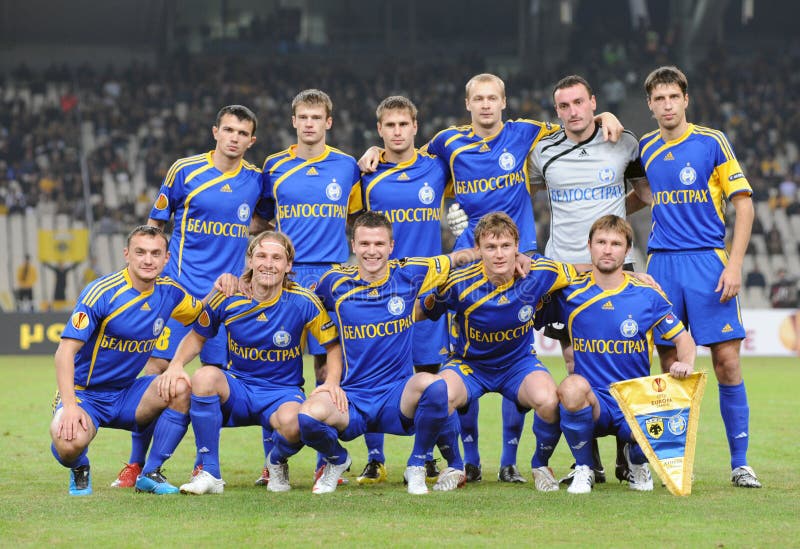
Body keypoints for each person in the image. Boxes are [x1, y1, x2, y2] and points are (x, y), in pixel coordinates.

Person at [111, 105, 270, 489]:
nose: (234, 138)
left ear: (252, 140)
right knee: (155, 376)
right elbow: (154, 225)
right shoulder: (184, 170)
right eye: (228, 129)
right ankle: (136, 465)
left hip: (222, 301)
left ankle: (209, 467)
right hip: (177, 296)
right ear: (215, 131)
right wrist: (152, 277)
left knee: (208, 383)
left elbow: (264, 221)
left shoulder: (256, 180)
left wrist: (241, 235)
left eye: (242, 133)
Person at [297, 211, 482, 495]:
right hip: (352, 399)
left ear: (391, 246)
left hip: (396, 397)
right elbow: (300, 300)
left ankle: (417, 464)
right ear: (353, 245)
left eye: (379, 244)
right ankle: (337, 460)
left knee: (435, 386)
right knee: (307, 416)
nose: (372, 251)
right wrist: (242, 285)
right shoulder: (333, 282)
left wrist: (505, 254)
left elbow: (456, 259)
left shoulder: (409, 273)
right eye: (366, 244)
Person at [639, 65, 761, 488]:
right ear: (650, 105)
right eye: (659, 99)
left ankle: (740, 463)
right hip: (663, 264)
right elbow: (642, 191)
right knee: (670, 363)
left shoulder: (711, 142)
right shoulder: (645, 147)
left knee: (726, 360)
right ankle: (672, 466)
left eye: (674, 96)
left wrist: (735, 263)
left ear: (685, 99)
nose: (668, 105)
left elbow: (743, 204)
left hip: (709, 263)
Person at [527, 74, 652, 485]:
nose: (572, 112)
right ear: (556, 110)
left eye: (579, 103)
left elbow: (647, 194)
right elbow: (520, 194)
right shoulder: (543, 151)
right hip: (565, 270)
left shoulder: (623, 141)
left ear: (593, 102)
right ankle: (589, 461)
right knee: (573, 362)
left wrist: (613, 217)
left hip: (618, 266)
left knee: (630, 358)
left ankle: (629, 458)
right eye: (563, 106)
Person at [49, 225, 235, 496]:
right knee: (68, 444)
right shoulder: (102, 292)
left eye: (155, 253)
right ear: (127, 254)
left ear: (166, 259)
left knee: (181, 386)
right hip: (84, 395)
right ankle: (80, 466)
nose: (148, 260)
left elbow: (199, 312)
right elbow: (64, 353)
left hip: (126, 394)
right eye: (141, 252)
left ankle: (150, 473)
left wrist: (219, 290)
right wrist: (69, 406)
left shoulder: (170, 292)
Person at [157, 231, 344, 494]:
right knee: (204, 377)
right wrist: (176, 364)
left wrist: (332, 383)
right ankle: (210, 472)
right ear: (250, 260)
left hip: (282, 392)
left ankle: (276, 461)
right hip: (240, 389)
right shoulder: (227, 294)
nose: (269, 264)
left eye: (277, 258)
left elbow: (333, 346)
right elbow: (197, 337)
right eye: (262, 256)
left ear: (288, 265)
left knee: (297, 423)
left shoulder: (303, 301)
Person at [417, 212, 578, 492]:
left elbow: (584, 270)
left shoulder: (540, 274)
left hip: (518, 364)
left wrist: (631, 274)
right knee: (438, 396)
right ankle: (456, 466)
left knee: (551, 401)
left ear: (517, 246)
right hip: (471, 365)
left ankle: (541, 464)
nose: (499, 254)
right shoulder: (459, 282)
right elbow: (423, 310)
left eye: (505, 246)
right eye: (490, 247)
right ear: (477, 250)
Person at [254, 89, 361, 484]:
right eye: (303, 117)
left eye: (317, 117)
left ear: (328, 122)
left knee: (324, 366)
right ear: (293, 121)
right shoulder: (274, 166)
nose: (310, 123)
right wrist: (271, 257)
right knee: (273, 366)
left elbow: (359, 217)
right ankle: (272, 462)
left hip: (330, 277)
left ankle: (324, 461)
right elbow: (259, 220)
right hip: (285, 277)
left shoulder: (348, 166)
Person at [553, 215, 696, 494]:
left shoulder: (648, 295)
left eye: (616, 244)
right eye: (601, 242)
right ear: (590, 246)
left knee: (665, 399)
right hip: (593, 400)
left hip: (633, 401)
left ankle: (637, 462)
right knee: (570, 387)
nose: (608, 249)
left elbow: (684, 340)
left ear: (627, 250)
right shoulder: (568, 293)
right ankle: (585, 468)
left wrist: (685, 362)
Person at [352, 95, 451, 484]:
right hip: (378, 290)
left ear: (415, 126)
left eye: (403, 124)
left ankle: (425, 458)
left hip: (425, 290)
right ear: (380, 130)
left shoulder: (438, 168)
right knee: (371, 376)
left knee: (431, 373)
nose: (396, 132)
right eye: (389, 126)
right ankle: (375, 459)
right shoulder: (365, 175)